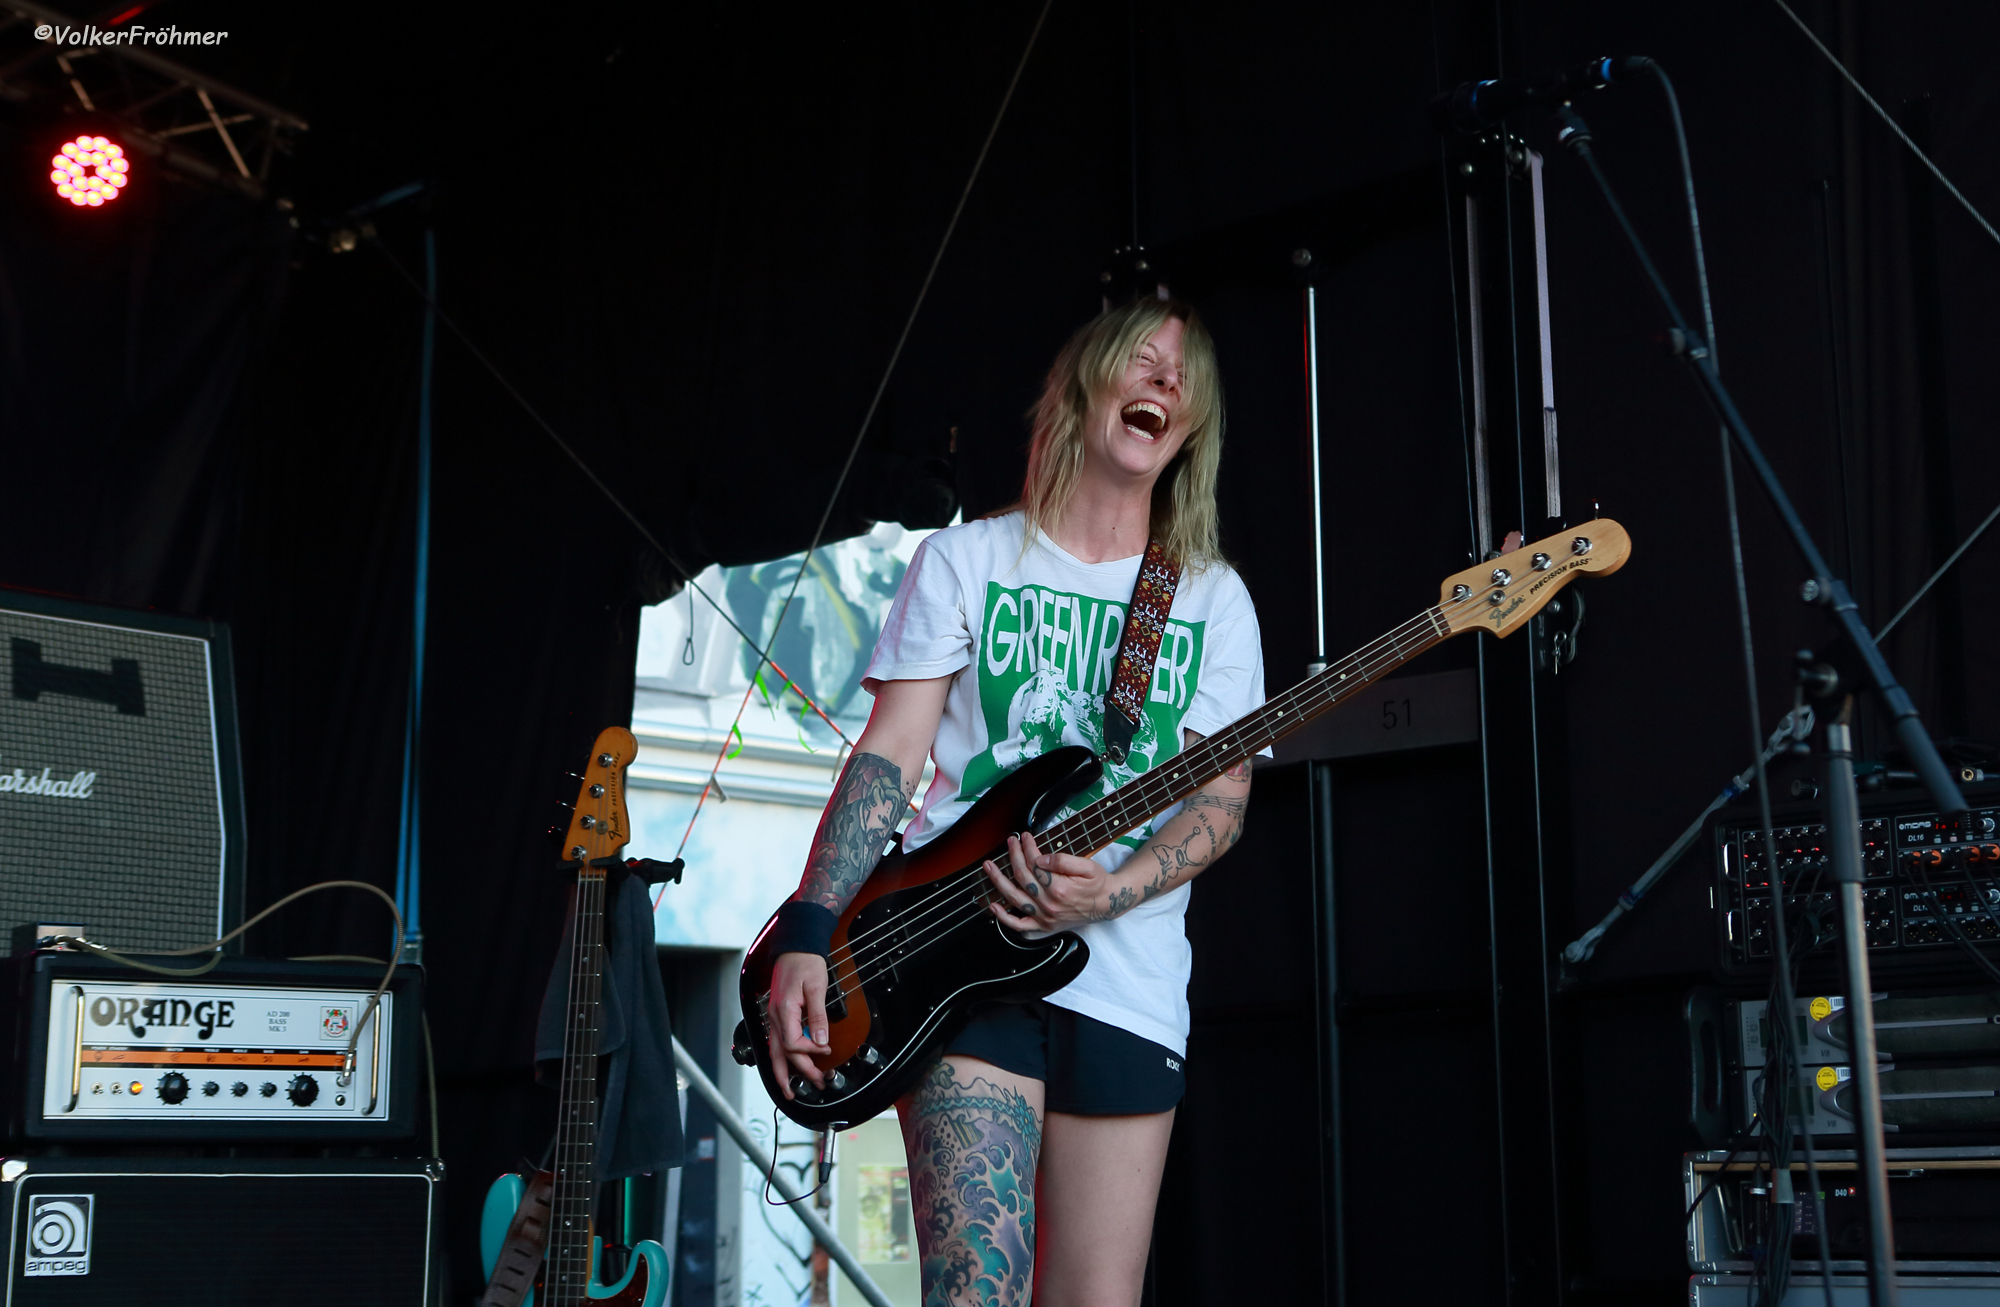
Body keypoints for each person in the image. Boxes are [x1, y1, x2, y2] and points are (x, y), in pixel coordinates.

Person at [761, 296, 1265, 1306]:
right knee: (973, 1290)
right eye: (1144, 358)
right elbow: (889, 757)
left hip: (1127, 982)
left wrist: (1109, 890)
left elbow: (1219, 804)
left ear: (1192, 428)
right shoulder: (966, 561)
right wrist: (811, 925)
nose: (1166, 379)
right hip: (958, 961)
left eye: (1185, 376)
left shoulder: (1211, 598)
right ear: (1083, 384)